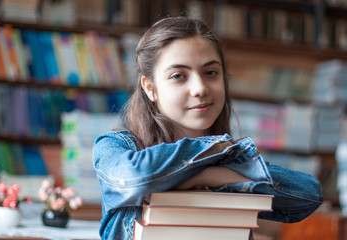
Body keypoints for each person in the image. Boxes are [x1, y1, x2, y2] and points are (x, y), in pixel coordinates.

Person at [93, 16, 322, 240]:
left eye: (210, 73)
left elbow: (308, 195)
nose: (200, 88)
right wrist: (210, 158)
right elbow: (133, 177)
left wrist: (211, 174)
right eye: (178, 76)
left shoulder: (228, 158)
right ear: (150, 88)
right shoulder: (117, 145)